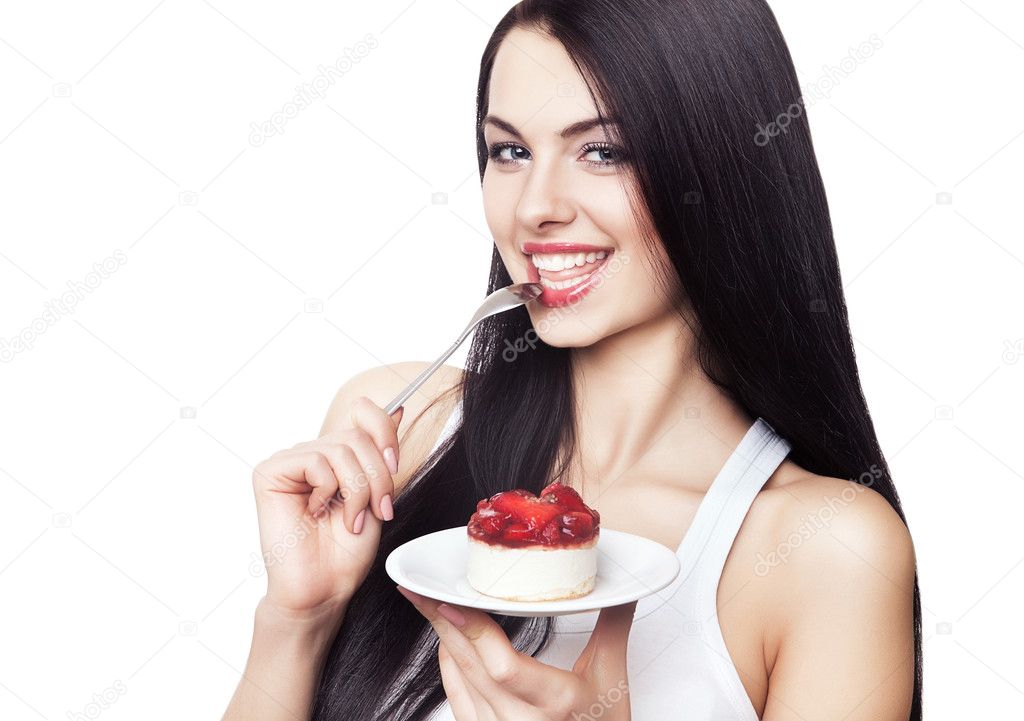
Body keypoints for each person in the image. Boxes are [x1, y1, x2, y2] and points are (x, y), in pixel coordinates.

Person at [221, 1, 921, 719]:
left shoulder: (830, 550)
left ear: (724, 164)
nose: (535, 208)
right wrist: (297, 619)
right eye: (510, 151)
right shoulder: (404, 432)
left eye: (603, 151)